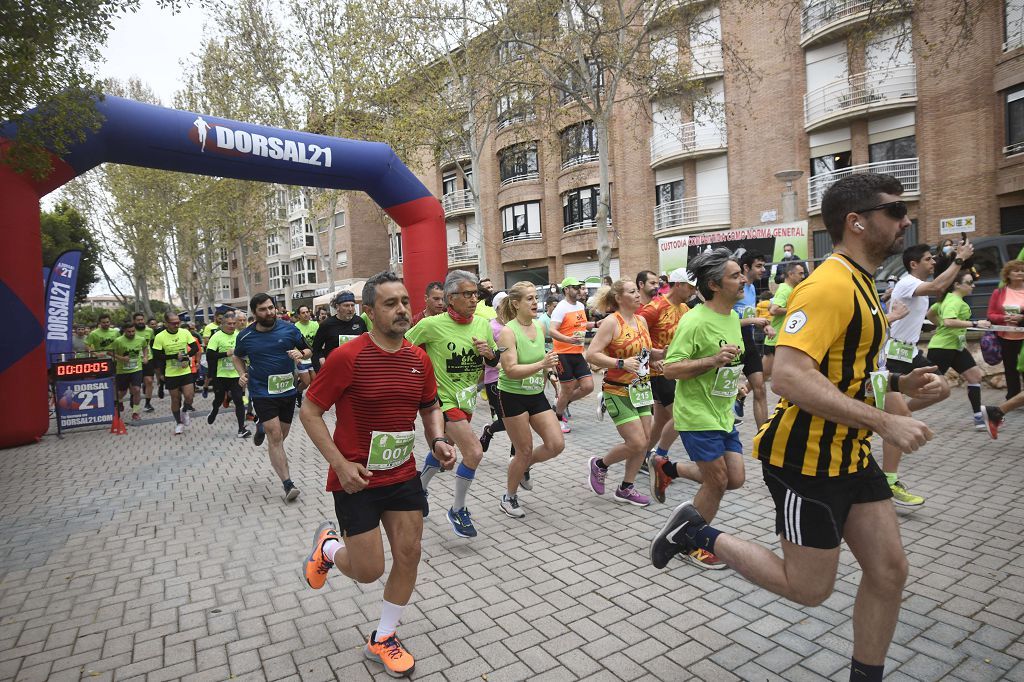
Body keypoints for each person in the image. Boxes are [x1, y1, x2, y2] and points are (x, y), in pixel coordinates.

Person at [650, 173, 944, 682]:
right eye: (895, 211)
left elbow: (850, 375)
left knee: (890, 571)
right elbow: (788, 375)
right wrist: (886, 422)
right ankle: (696, 530)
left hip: (851, 455)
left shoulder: (863, 282)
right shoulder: (829, 284)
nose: (906, 220)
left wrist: (901, 385)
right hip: (805, 460)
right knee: (809, 589)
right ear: (857, 222)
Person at [299, 271, 457, 679]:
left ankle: (383, 637)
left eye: (405, 301)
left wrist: (437, 439)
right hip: (357, 479)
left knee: (410, 553)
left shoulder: (418, 359)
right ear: (369, 312)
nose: (402, 309)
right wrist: (339, 463)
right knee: (368, 570)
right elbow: (310, 411)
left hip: (402, 474)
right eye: (390, 303)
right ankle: (329, 550)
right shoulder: (347, 357)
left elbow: (429, 406)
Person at [647, 250, 746, 569]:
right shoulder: (694, 320)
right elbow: (670, 368)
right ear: (715, 284)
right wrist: (711, 361)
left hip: (723, 412)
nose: (743, 279)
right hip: (696, 414)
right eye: (735, 275)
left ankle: (667, 468)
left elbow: (731, 363)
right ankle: (689, 540)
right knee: (716, 482)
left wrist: (737, 380)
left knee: (735, 479)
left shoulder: (732, 317)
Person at [405, 270, 498, 538]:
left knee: (443, 448)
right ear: (450, 298)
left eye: (475, 294)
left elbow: (493, 360)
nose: (473, 299)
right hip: (442, 401)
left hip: (466, 400)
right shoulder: (431, 325)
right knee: (474, 453)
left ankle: (418, 488)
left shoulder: (482, 324)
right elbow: (400, 347)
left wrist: (489, 353)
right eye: (467, 294)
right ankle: (458, 509)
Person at [878, 242, 968, 506]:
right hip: (892, 355)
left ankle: (894, 410)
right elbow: (939, 286)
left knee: (942, 388)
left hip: (910, 352)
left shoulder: (908, 286)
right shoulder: (908, 282)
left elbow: (933, 295)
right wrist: (959, 260)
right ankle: (889, 482)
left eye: (932, 259)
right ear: (913, 265)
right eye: (927, 259)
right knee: (901, 419)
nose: (931, 263)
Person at [233, 293, 312, 502]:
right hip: (261, 392)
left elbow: (307, 349)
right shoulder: (245, 336)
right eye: (263, 309)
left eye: (271, 308)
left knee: (279, 437)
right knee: (275, 436)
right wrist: (241, 374)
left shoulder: (289, 329)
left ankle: (260, 426)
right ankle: (288, 484)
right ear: (254, 312)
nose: (269, 312)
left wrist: (301, 354)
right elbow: (236, 356)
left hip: (287, 391)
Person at [494, 283, 564, 518]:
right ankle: (509, 496)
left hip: (535, 394)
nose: (535, 303)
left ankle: (523, 467)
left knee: (556, 444)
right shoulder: (507, 331)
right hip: (512, 396)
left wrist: (552, 376)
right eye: (529, 299)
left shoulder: (538, 326)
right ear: (515, 303)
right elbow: (511, 369)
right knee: (524, 450)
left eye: (536, 298)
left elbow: (544, 359)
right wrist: (542, 365)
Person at [584, 280, 653, 507]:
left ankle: (626, 488)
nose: (637, 294)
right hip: (617, 390)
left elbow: (645, 352)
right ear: (619, 298)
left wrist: (661, 357)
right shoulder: (612, 322)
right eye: (632, 291)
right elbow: (592, 354)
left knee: (644, 443)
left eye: (637, 291)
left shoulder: (641, 320)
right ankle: (600, 465)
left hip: (641, 389)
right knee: (636, 442)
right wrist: (620, 362)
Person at [638, 268, 696, 465]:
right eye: (690, 287)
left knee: (662, 420)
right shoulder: (654, 308)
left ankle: (642, 456)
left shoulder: (685, 309)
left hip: (675, 371)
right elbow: (636, 334)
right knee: (681, 416)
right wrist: (652, 356)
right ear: (678, 285)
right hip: (657, 372)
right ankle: (659, 455)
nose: (694, 292)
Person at [925, 271, 992, 429]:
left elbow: (931, 314)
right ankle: (901, 408)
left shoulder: (947, 299)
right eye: (969, 282)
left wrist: (939, 324)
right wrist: (975, 324)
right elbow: (948, 321)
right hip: (942, 349)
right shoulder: (953, 301)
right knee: (925, 384)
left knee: (975, 376)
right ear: (957, 285)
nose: (973, 285)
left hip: (956, 347)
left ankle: (978, 417)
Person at [732, 252, 776, 427]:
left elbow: (751, 316)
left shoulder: (750, 289)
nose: (763, 270)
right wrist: (752, 321)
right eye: (759, 266)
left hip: (748, 341)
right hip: (731, 344)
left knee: (760, 389)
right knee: (724, 392)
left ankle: (762, 436)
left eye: (764, 266)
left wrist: (764, 325)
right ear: (746, 267)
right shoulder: (734, 288)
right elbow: (723, 319)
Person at [550, 277, 596, 433]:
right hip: (562, 354)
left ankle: (561, 402)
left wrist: (596, 324)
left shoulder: (580, 306)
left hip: (577, 352)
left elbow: (582, 326)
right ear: (566, 289)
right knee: (568, 388)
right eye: (575, 287)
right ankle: (558, 417)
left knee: (588, 386)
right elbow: (552, 331)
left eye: (580, 287)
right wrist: (568, 339)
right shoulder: (561, 308)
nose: (579, 290)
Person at [152, 312, 200, 435]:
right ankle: (178, 423)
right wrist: (174, 356)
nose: (176, 325)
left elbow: (195, 348)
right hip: (171, 373)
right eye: (173, 323)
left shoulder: (185, 332)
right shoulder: (160, 336)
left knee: (190, 396)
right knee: (175, 399)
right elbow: (157, 356)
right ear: (166, 323)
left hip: (185, 370)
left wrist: (185, 356)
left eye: (178, 322)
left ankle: (185, 411)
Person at [206, 311, 251, 438]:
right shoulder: (216, 337)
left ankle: (241, 429)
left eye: (233, 323)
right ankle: (214, 411)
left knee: (239, 400)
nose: (232, 326)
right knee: (219, 399)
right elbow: (209, 355)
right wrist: (226, 353)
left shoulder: (239, 335)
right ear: (222, 324)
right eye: (229, 324)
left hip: (236, 375)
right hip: (220, 375)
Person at [986, 259, 1024, 398]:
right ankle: (1013, 396)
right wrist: (1004, 318)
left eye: (1022, 270)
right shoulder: (999, 292)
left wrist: (1022, 318)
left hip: (1023, 336)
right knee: (1010, 368)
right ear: (1008, 274)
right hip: (1006, 336)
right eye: (1016, 270)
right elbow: (990, 314)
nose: (1020, 273)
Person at [762, 261, 806, 382]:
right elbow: (774, 310)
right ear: (791, 274)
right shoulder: (785, 290)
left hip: (782, 338)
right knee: (763, 375)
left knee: (784, 375)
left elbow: (770, 306)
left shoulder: (787, 289)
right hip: (774, 339)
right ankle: (741, 394)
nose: (803, 276)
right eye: (800, 273)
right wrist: (794, 310)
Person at [312, 291, 368, 369]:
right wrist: (321, 359)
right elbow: (316, 348)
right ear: (337, 307)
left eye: (352, 305)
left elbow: (366, 343)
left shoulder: (359, 321)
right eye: (346, 305)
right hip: (334, 367)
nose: (350, 309)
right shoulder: (327, 324)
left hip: (356, 367)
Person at [111, 323, 148, 421]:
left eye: (133, 331)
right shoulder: (118, 341)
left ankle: (135, 412)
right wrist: (121, 358)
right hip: (122, 371)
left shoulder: (141, 339)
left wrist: (145, 357)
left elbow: (145, 347)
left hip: (136, 368)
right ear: (124, 331)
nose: (131, 333)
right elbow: (110, 352)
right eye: (129, 332)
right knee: (122, 392)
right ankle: (118, 402)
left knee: (136, 389)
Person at [293, 305, 320, 406]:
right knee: (306, 382)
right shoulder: (295, 326)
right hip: (301, 358)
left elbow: (318, 341)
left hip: (312, 357)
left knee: (314, 381)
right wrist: (297, 357)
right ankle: (298, 393)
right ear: (299, 315)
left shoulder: (315, 324)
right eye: (303, 313)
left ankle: (310, 402)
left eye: (307, 312)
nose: (306, 314)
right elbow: (293, 343)